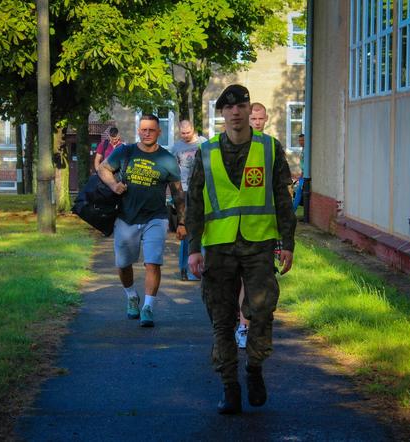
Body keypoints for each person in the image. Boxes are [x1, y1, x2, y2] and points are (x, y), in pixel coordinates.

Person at [186, 84, 296, 414]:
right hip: (218, 248)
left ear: (250, 110)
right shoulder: (206, 153)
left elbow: (283, 199)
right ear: (222, 113)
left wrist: (287, 244)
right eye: (228, 107)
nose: (235, 112)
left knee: (261, 311)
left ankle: (255, 369)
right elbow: (193, 203)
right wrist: (193, 248)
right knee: (221, 318)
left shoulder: (270, 148)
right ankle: (229, 387)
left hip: (259, 244)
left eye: (241, 105)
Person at [98, 115, 187, 327]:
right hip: (126, 218)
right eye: (143, 129)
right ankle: (131, 296)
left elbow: (178, 193)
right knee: (123, 263)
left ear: (159, 132)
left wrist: (182, 222)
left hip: (155, 217)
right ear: (139, 131)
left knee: (153, 262)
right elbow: (103, 168)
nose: (147, 133)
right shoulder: (125, 151)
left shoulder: (167, 159)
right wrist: (113, 185)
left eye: (152, 130)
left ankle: (148, 307)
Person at [234, 102, 270, 348]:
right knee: (236, 281)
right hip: (233, 225)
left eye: (260, 119)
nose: (256, 123)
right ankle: (240, 324)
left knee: (253, 281)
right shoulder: (238, 146)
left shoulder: (269, 148)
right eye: (253, 119)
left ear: (266, 119)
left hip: (260, 226)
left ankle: (246, 325)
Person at [173, 120, 207, 281]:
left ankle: (201, 267)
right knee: (186, 229)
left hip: (202, 189)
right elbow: (173, 170)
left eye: (188, 133)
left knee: (202, 227)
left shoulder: (203, 143)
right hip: (185, 191)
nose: (185, 136)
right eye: (183, 133)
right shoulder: (176, 148)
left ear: (193, 129)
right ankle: (184, 268)